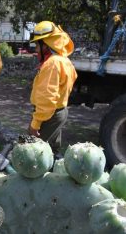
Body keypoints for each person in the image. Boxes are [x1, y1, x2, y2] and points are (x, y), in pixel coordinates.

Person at [28, 21, 78, 157]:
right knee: (52, 150)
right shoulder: (64, 60)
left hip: (48, 115)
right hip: (59, 112)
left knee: (33, 151)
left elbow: (47, 99)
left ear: (46, 44)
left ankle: (37, 178)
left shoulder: (52, 64)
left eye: (38, 44)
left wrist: (35, 124)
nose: (36, 49)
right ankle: (54, 175)